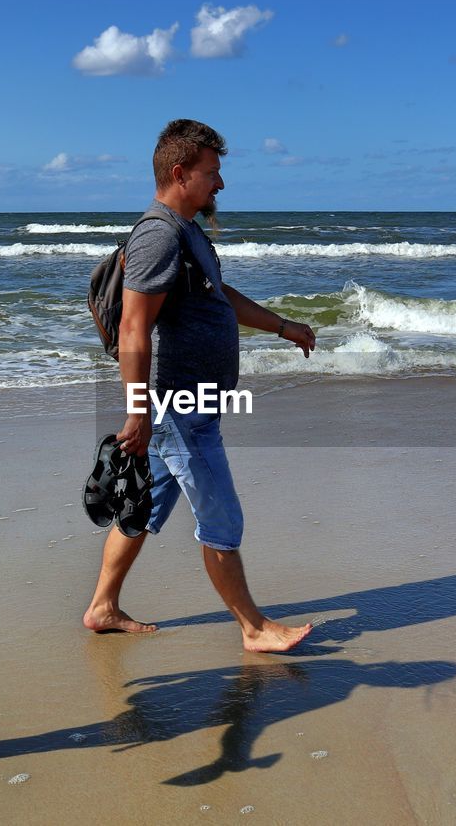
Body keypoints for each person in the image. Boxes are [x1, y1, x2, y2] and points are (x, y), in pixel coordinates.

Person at [82, 119, 316, 652]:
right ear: (180, 172)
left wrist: (282, 326)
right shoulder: (159, 234)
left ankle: (101, 607)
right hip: (176, 406)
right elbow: (135, 328)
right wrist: (138, 411)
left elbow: (219, 295)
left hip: (190, 403)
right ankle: (254, 628)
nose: (221, 184)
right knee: (221, 517)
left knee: (142, 508)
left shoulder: (186, 230)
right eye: (212, 173)